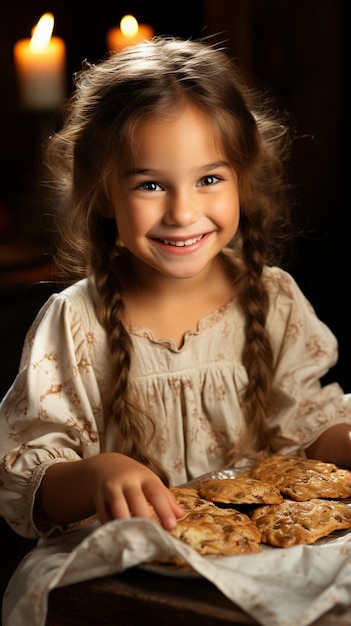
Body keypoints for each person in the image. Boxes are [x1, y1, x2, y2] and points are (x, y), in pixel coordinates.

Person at [1, 36, 351, 545]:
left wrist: (343, 441)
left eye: (209, 178)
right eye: (150, 185)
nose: (183, 213)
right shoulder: (76, 323)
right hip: (124, 572)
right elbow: (24, 483)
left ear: (243, 182)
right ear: (103, 194)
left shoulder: (271, 298)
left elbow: (305, 428)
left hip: (253, 556)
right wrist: (97, 475)